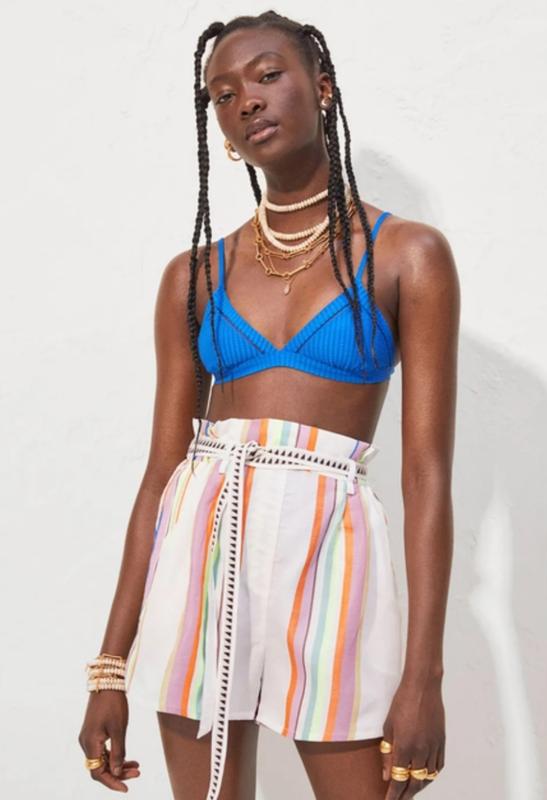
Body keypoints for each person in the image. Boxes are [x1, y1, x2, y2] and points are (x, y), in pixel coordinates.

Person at [78, 10, 459, 800]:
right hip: (202, 553)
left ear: (322, 88)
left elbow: (426, 476)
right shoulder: (194, 276)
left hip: (331, 551)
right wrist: (109, 667)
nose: (244, 100)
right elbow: (160, 476)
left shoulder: (406, 255)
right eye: (221, 94)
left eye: (266, 75)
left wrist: (423, 676)